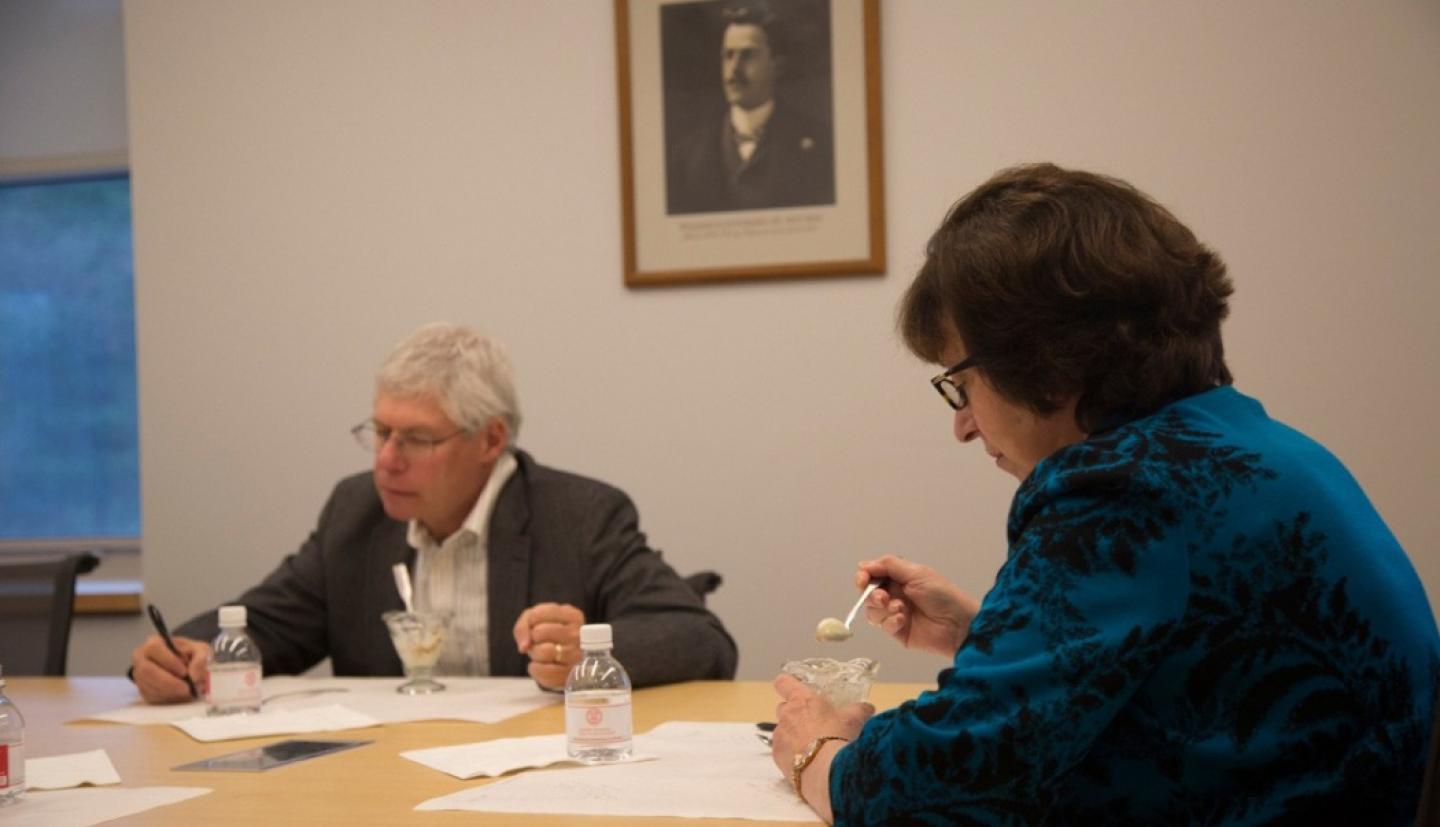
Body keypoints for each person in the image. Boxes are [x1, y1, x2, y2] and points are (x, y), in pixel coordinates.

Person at [769, 163, 1440, 824]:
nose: (963, 425)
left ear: (1042, 358)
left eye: (961, 384)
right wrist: (984, 634)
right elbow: (1180, 685)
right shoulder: (1242, 445)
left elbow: (948, 780)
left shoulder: (1123, 491)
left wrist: (815, 752)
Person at [131, 323, 737, 701]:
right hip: (389, 781)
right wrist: (188, 650)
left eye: (417, 440)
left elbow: (701, 639)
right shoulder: (356, 512)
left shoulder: (580, 516)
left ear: (491, 440)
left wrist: (589, 653)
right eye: (380, 432)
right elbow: (267, 623)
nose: (387, 461)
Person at [665, 1, 834, 215]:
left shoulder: (822, 146)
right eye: (728, 55)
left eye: (747, 55)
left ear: (777, 65)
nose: (734, 69)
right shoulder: (686, 157)